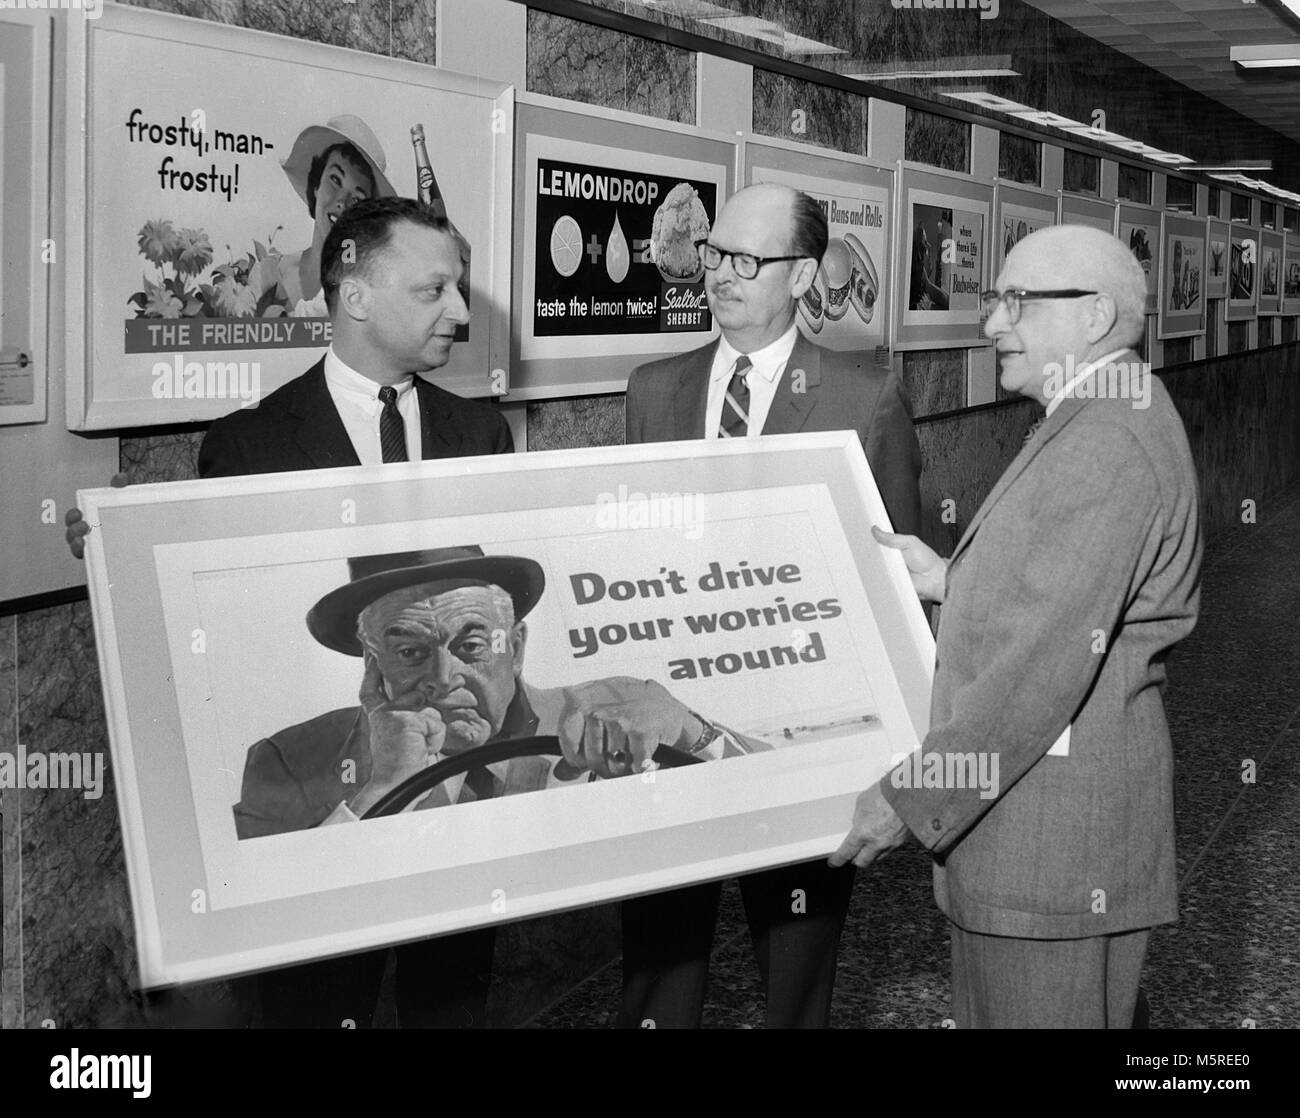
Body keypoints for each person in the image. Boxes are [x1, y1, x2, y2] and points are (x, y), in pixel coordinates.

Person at [66, 196, 514, 1027]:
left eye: (459, 289)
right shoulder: (249, 446)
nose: (459, 310)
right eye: (434, 289)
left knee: (450, 1003)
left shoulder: (481, 435)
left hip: (457, 809)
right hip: (321, 807)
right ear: (354, 295)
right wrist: (119, 544)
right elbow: (220, 620)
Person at [832, 224, 1202, 1029]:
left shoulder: (1104, 442)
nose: (993, 322)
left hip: (1052, 854)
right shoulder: (1105, 409)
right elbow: (1060, 594)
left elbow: (1037, 672)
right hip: (1048, 841)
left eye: (1016, 302)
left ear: (1095, 315)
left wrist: (913, 794)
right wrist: (949, 580)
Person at [621, 181, 923, 1029]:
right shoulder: (654, 390)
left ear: (802, 276)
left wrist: (894, 762)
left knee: (794, 972)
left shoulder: (865, 401)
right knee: (658, 956)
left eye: (747, 260)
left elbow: (897, 584)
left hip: (804, 734)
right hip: (669, 731)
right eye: (715, 254)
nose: (721, 273)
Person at [236, 544, 768, 838]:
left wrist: (692, 733)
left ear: (514, 647)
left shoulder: (615, 706)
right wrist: (379, 790)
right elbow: (257, 931)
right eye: (409, 652)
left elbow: (784, 795)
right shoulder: (288, 761)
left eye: (471, 645)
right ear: (372, 668)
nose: (443, 678)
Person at [261, 115, 395, 317]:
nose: (342, 201)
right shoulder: (269, 273)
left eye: (357, 198)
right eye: (335, 179)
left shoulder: (369, 289)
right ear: (316, 185)